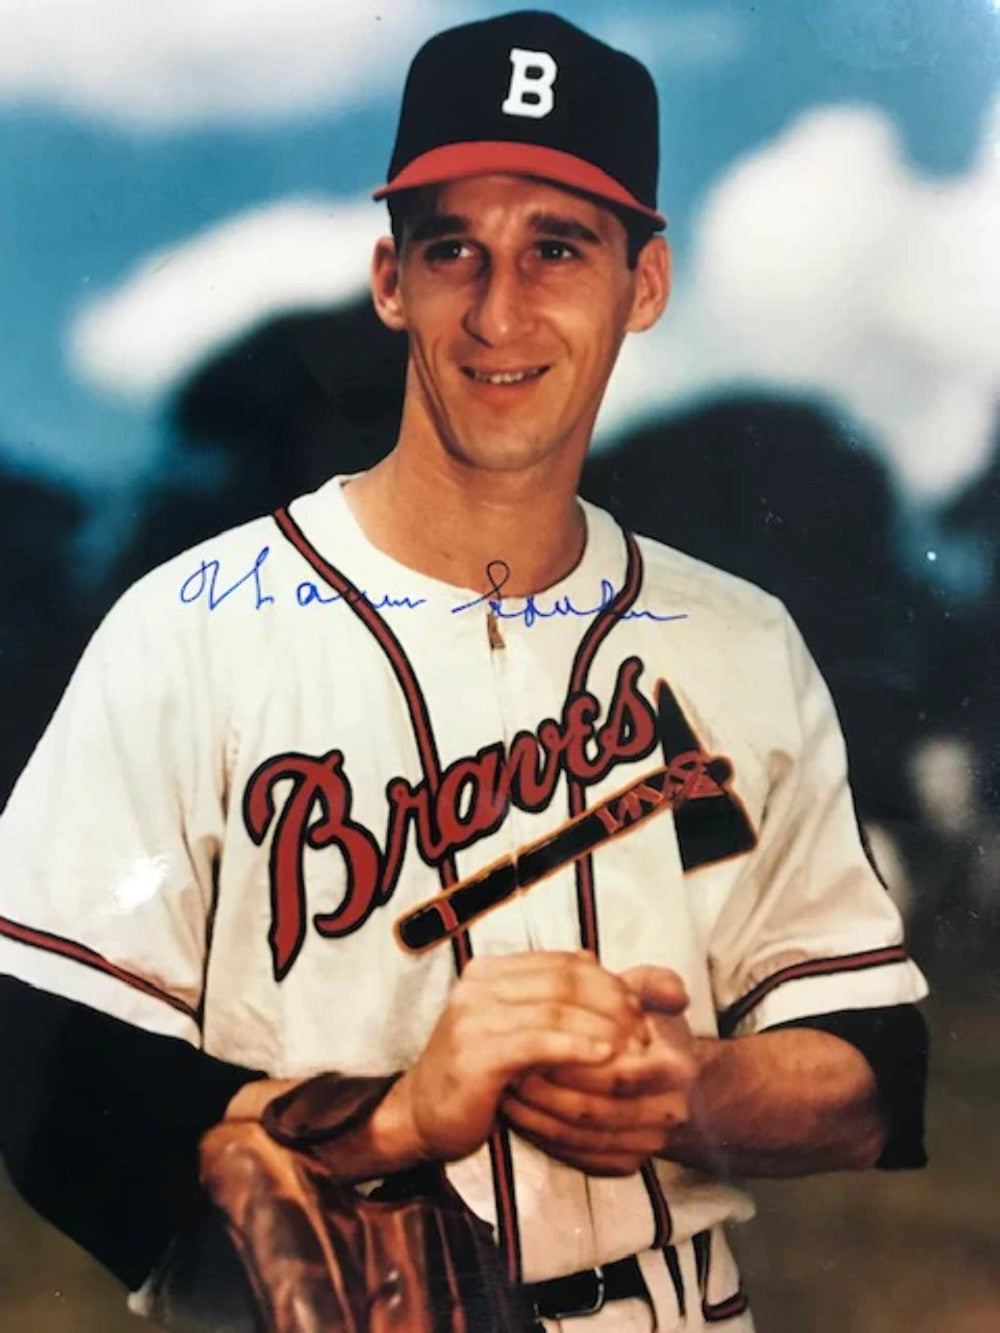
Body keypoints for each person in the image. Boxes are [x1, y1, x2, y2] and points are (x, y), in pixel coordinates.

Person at [0, 12, 929, 1331]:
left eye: (558, 247)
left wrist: (691, 1090)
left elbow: (872, 1058)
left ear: (644, 284)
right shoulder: (190, 628)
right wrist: (392, 1118)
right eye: (454, 250)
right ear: (393, 279)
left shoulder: (738, 642)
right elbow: (42, 1064)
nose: (499, 311)